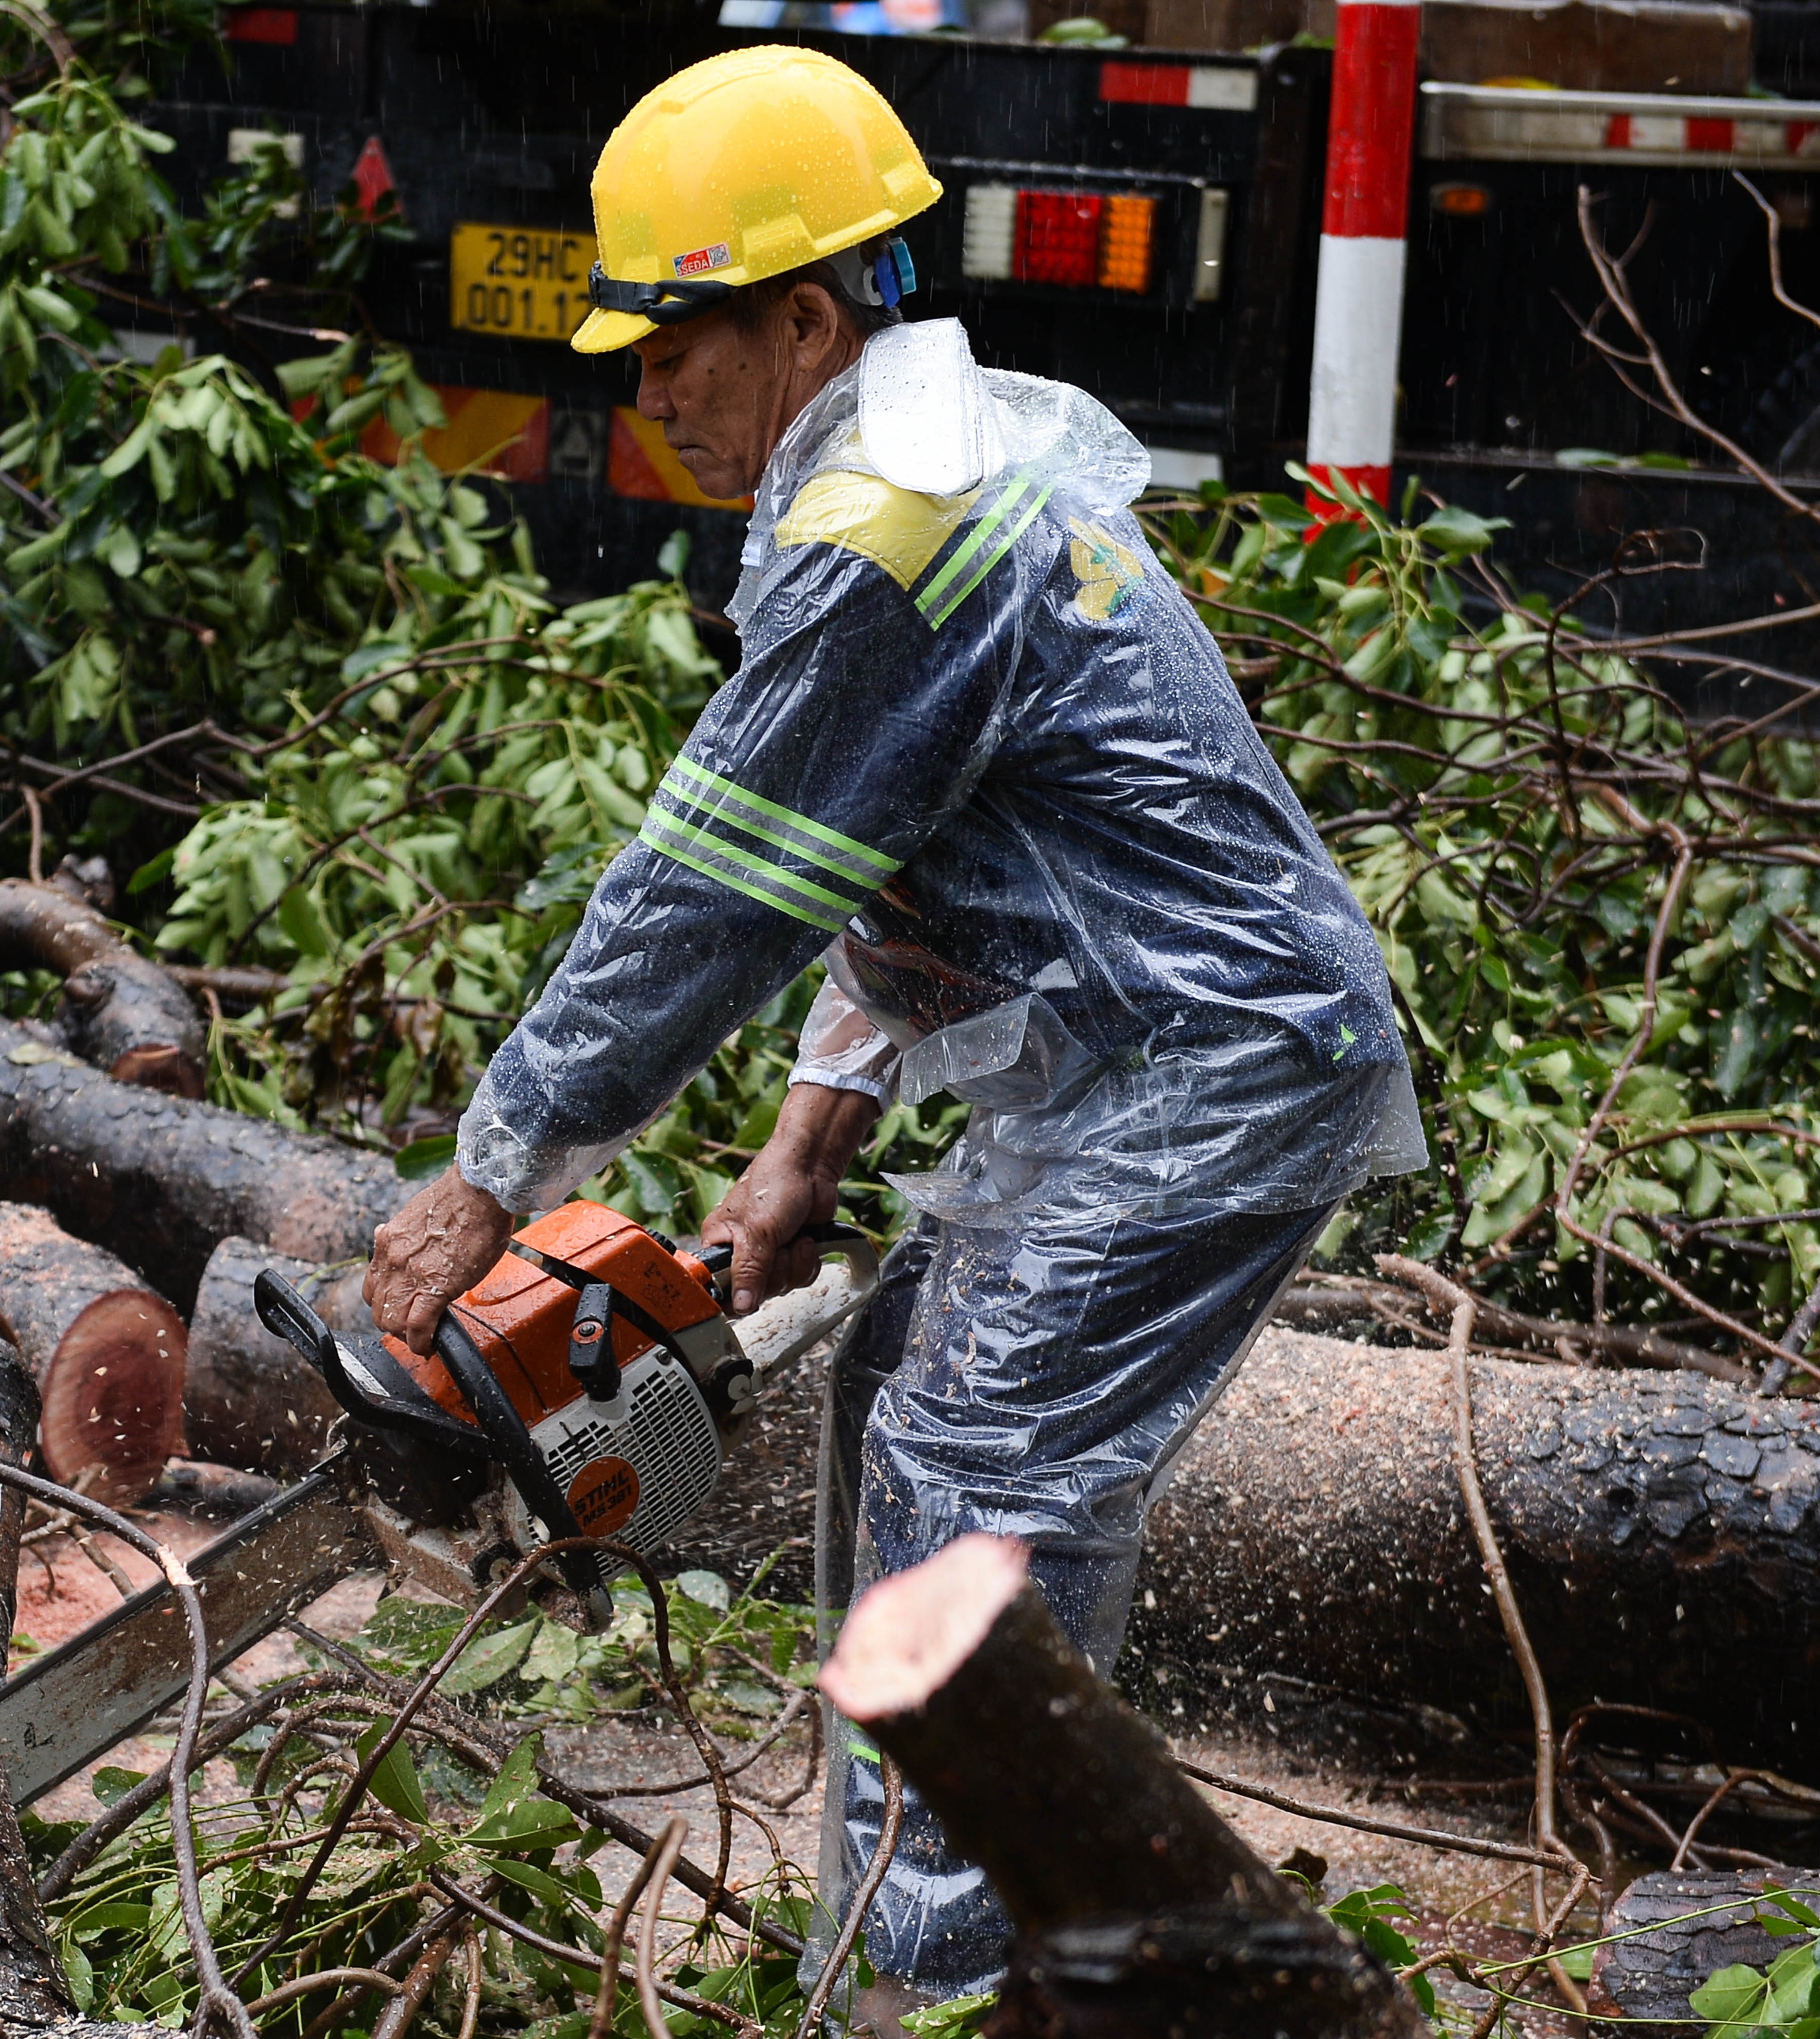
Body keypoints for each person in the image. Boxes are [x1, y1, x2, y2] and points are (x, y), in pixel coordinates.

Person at [362, 43, 1424, 2019]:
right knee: (884, 1392)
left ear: (801, 313)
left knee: (977, 1472)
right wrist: (802, 1156)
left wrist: (495, 1171)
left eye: (673, 340)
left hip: (1208, 1056)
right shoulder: (918, 459)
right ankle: (905, 1932)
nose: (643, 384)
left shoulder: (896, 523)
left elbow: (706, 890)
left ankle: (947, 1983)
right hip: (1113, 1052)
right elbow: (898, 859)